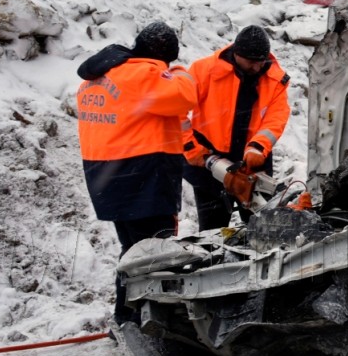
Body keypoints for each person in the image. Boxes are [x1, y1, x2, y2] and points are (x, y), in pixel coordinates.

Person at [76, 21, 196, 318]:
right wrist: (178, 71)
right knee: (154, 254)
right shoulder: (144, 75)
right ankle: (151, 320)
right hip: (142, 175)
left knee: (133, 250)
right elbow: (184, 96)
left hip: (107, 176)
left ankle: (126, 317)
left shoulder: (97, 76)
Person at [182, 25, 291, 231]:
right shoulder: (204, 71)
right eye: (251, 62)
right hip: (209, 158)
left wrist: (259, 146)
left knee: (262, 228)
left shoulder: (274, 79)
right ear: (236, 54)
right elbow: (176, 112)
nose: (257, 68)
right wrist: (191, 148)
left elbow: (276, 116)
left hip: (254, 161)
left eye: (260, 62)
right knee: (212, 231)